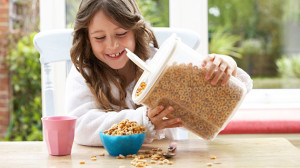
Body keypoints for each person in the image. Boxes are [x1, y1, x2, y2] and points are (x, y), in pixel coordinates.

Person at [66, 0, 253, 146]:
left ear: (135, 30)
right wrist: (142, 121)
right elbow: (81, 127)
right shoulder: (84, 72)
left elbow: (220, 102)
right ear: (87, 38)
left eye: (121, 34)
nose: (112, 45)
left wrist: (227, 68)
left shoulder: (162, 64)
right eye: (100, 37)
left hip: (168, 157)